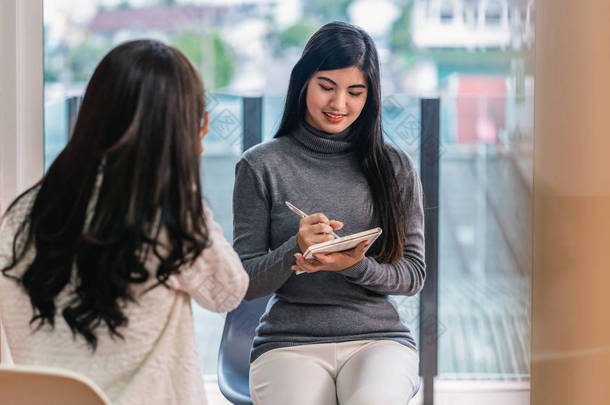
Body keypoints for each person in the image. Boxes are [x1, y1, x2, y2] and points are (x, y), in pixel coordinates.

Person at [0, 39, 249, 405]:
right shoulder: (169, 218)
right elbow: (229, 291)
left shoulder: (25, 215)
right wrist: (184, 185)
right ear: (185, 130)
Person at [233, 21, 426, 405]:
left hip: (379, 341)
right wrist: (295, 248)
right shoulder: (260, 166)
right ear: (303, 82)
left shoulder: (394, 166)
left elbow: (412, 276)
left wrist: (350, 265)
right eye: (326, 87)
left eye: (355, 92)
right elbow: (244, 284)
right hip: (288, 342)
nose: (339, 105)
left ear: (370, 97)